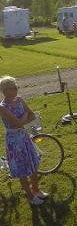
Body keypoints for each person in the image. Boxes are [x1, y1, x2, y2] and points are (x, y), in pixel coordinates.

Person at [0, 76, 49, 205]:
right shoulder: (2, 107)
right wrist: (25, 116)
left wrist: (24, 119)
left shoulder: (20, 100)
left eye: (16, 87)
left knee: (33, 165)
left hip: (24, 137)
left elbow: (32, 115)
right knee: (22, 169)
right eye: (13, 87)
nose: (16, 89)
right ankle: (30, 197)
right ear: (4, 91)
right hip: (14, 142)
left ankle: (36, 191)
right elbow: (17, 123)